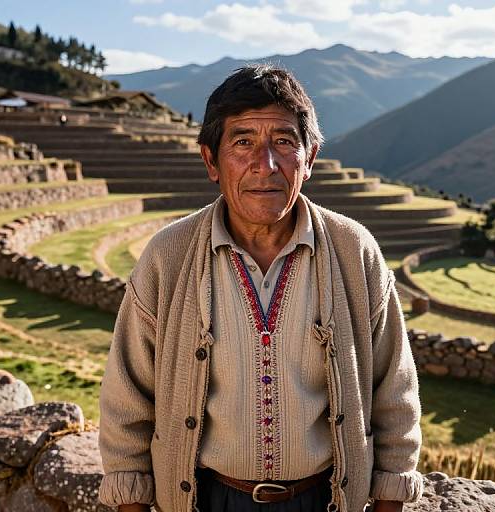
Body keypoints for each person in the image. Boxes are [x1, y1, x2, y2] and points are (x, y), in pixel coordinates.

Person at [98, 65, 423, 512]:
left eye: (284, 142)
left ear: (308, 159)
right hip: (206, 499)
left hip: (326, 500)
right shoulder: (167, 257)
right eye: (243, 142)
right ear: (211, 160)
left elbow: (395, 394)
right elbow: (126, 401)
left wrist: (389, 501)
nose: (264, 164)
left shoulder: (355, 251)